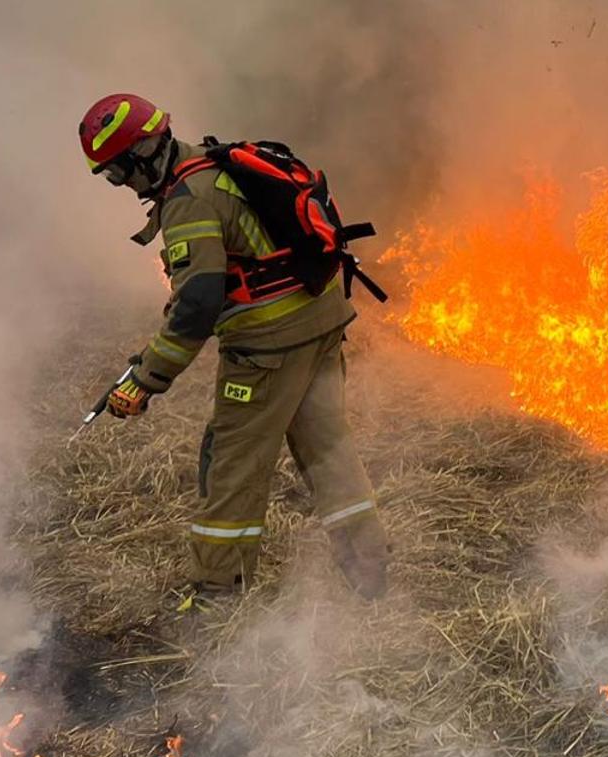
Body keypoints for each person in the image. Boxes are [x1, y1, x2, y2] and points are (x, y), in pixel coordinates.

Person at [78, 93, 390, 602]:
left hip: (269, 348)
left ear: (142, 152)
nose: (120, 185)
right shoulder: (215, 163)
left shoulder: (188, 201)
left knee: (232, 466)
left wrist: (145, 378)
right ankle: (370, 570)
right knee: (327, 449)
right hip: (321, 322)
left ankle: (216, 597)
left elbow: (197, 306)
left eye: (117, 173)